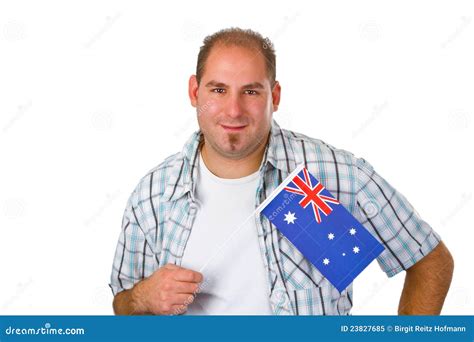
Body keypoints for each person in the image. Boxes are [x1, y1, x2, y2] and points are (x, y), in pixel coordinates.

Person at [109, 28, 454, 315]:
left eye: (251, 91)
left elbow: (429, 261)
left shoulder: (334, 174)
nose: (233, 109)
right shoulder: (153, 194)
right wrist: (142, 298)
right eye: (218, 90)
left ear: (274, 96)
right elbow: (122, 306)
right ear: (194, 92)